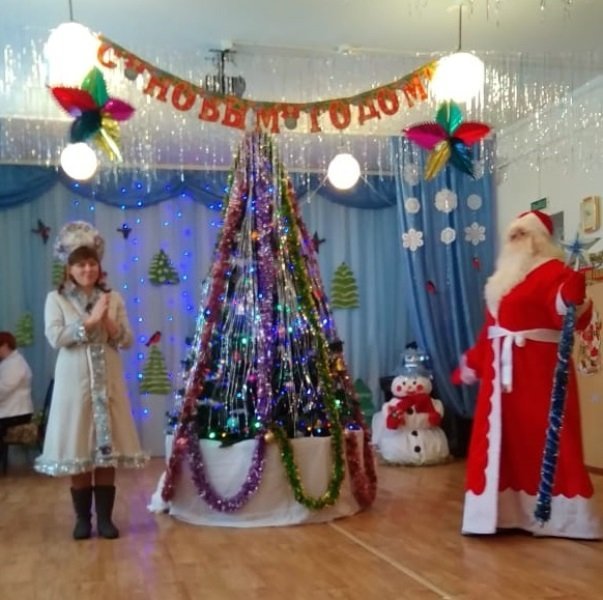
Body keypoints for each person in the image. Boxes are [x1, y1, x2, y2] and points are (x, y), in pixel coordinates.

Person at [453, 210, 601, 539]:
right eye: (513, 235)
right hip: (500, 380)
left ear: (539, 240)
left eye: (524, 234)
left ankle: (560, 518)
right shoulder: (501, 282)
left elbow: (569, 314)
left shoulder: (554, 271)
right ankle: (504, 514)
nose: (517, 240)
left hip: (539, 373)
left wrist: (570, 297)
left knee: (549, 439)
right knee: (503, 444)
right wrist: (474, 362)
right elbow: (490, 330)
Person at [34, 221, 148, 540]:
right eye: (80, 264)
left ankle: (106, 519)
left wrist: (106, 320)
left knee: (105, 450)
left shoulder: (113, 298)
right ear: (69, 269)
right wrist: (89, 322)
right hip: (74, 384)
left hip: (108, 381)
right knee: (79, 448)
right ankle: (83, 519)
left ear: (99, 266)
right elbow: (56, 337)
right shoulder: (56, 299)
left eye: (91, 263)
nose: (87, 269)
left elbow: (127, 340)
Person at [0, 331, 34, 461]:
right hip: (11, 411)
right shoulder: (8, 363)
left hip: (17, 414)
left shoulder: (15, 364)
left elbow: (3, 390)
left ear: (5, 345)